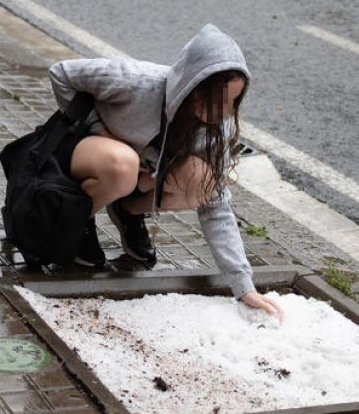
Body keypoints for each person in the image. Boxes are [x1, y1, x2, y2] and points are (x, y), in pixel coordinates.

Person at [48, 24, 284, 321]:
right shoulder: (137, 82)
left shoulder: (216, 129)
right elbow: (61, 72)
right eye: (218, 99)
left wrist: (243, 285)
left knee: (202, 181)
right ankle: (82, 220)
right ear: (192, 85)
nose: (225, 111)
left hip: (138, 175)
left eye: (233, 101)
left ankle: (129, 210)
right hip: (92, 157)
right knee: (122, 162)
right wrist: (100, 131)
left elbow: (217, 207)